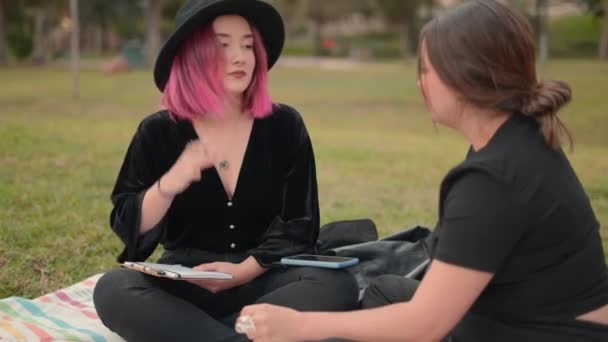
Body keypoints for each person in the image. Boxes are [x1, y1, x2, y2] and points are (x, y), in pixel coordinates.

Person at [237, 1, 608, 341]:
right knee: (385, 291)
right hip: (532, 315)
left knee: (337, 331)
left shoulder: (493, 180)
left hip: (547, 332)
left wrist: (299, 325)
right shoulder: (521, 138)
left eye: (426, 70)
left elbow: (425, 325)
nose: (420, 83)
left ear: (462, 77)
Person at [92, 1, 359, 341]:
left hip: (263, 279)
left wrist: (241, 272)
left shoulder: (285, 125)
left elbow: (299, 224)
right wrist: (170, 182)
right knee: (113, 288)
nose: (240, 56)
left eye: (248, 45)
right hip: (187, 283)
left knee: (335, 284)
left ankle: (204, 335)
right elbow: (129, 224)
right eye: (223, 45)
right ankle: (242, 334)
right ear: (194, 55)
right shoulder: (158, 131)